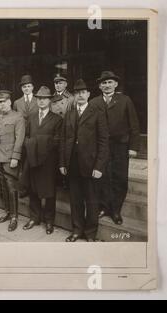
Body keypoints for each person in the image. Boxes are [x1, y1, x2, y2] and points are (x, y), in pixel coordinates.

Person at [59, 79, 109, 242]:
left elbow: (103, 142)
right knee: (76, 200)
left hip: (91, 165)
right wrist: (62, 163)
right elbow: (63, 139)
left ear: (88, 94)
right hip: (72, 164)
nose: (80, 95)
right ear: (73, 96)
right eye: (77, 93)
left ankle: (90, 233)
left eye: (83, 92)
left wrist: (99, 166)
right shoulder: (70, 114)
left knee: (92, 201)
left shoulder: (97, 113)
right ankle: (77, 230)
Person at [90, 71, 140, 225]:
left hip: (120, 146)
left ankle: (116, 210)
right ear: (99, 86)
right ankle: (104, 207)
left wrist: (133, 147)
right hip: (101, 146)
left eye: (109, 82)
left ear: (116, 84)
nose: (106, 85)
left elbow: (134, 125)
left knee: (119, 177)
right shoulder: (94, 102)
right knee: (102, 176)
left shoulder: (125, 100)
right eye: (103, 83)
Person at [22, 86, 62, 235]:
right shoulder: (31, 117)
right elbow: (26, 137)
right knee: (33, 189)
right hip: (33, 159)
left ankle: (49, 220)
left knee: (49, 192)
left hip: (48, 161)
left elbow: (57, 141)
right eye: (39, 98)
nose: (41, 101)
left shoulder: (57, 119)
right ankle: (34, 217)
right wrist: (31, 145)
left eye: (44, 98)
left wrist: (37, 142)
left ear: (50, 100)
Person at [0, 90, 26, 232]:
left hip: (10, 158)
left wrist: (15, 157)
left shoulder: (18, 117)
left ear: (9, 102)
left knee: (12, 188)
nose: (1, 105)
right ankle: (7, 212)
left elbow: (20, 139)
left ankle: (14, 217)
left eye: (4, 102)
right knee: (3, 187)